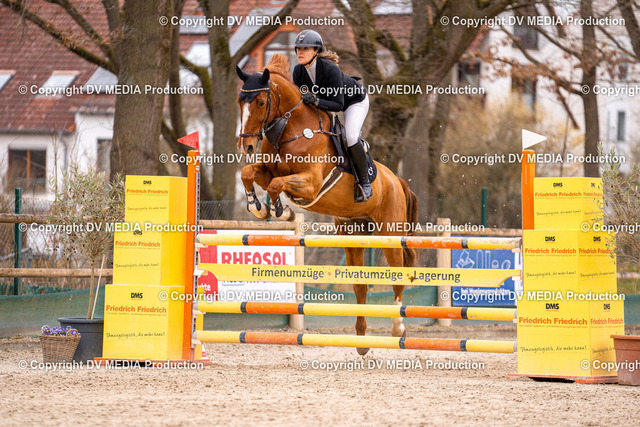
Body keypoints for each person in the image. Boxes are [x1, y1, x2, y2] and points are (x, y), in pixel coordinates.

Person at [292, 29, 372, 202]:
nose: (300, 52)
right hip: (328, 103)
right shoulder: (298, 71)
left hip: (354, 101)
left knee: (350, 136)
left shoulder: (330, 69)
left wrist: (315, 101)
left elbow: (338, 105)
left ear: (316, 51)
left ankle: (365, 182)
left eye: (305, 48)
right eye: (298, 48)